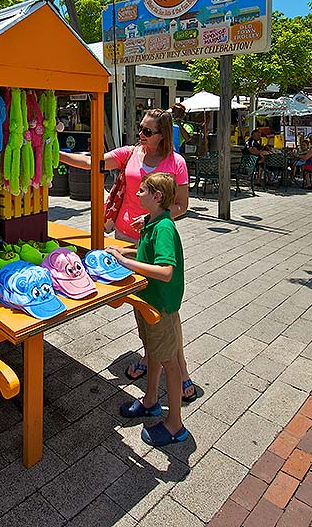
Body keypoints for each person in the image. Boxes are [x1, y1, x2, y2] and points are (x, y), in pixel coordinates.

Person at [59, 108, 199, 402]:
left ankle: (181, 369)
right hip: (124, 239)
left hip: (154, 241)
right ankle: (150, 357)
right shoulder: (131, 153)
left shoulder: (176, 163)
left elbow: (182, 205)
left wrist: (150, 221)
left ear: (163, 135)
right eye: (141, 129)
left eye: (148, 131)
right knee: (141, 303)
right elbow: (91, 163)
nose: (141, 135)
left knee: (166, 310)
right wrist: (55, 154)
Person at [113, 172, 190, 447]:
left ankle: (175, 425)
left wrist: (127, 263)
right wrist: (124, 253)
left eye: (142, 190)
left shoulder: (164, 228)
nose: (137, 194)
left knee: (170, 362)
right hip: (149, 302)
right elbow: (147, 255)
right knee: (153, 353)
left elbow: (166, 271)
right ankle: (150, 402)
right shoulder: (152, 222)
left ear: (157, 197)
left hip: (162, 306)